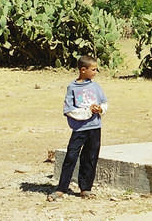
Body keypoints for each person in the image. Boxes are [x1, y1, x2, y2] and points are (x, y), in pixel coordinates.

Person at [48, 55, 107, 201]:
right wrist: (87, 112)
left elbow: (104, 103)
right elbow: (69, 110)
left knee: (90, 157)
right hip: (79, 129)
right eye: (93, 69)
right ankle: (62, 188)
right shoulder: (72, 88)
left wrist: (99, 109)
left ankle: (85, 188)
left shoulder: (95, 86)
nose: (95, 72)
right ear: (83, 70)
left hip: (95, 128)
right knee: (71, 157)